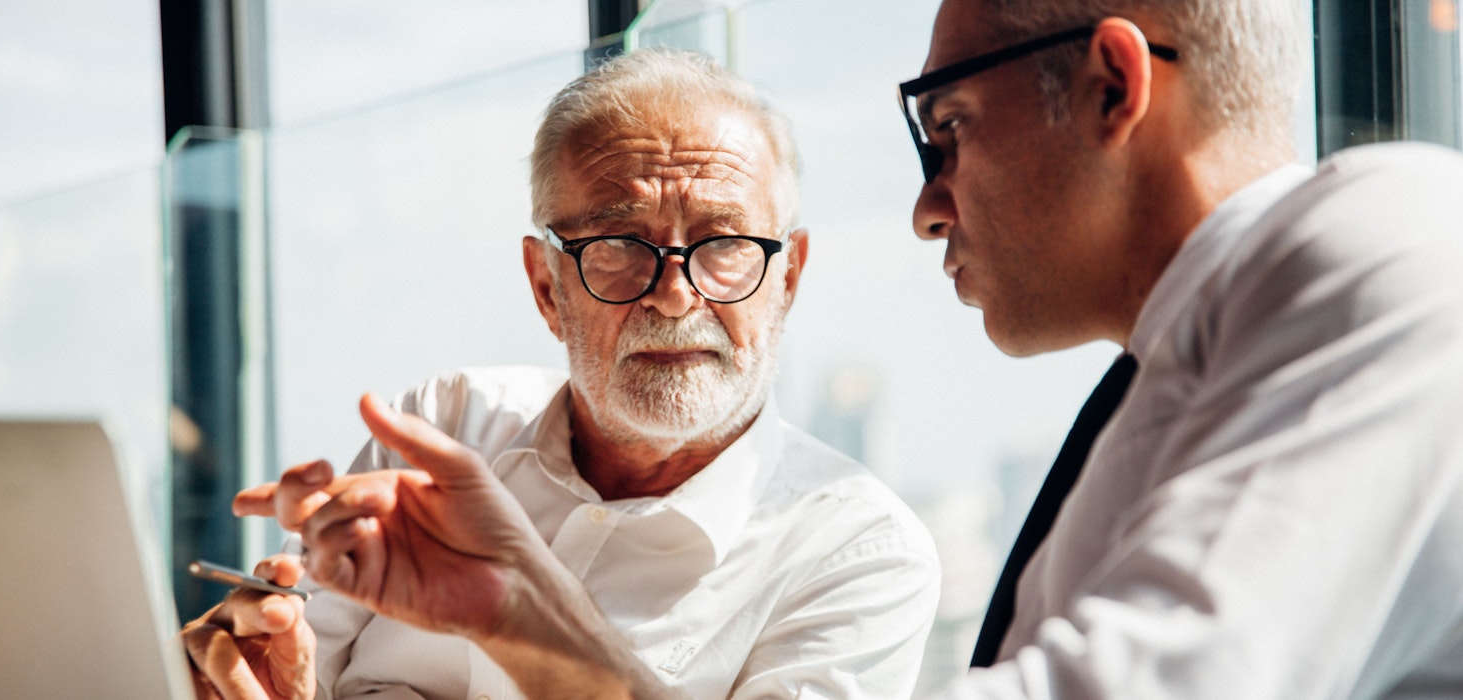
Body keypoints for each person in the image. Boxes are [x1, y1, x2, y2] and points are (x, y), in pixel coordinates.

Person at [183, 48, 941, 700]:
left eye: (724, 243)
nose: (676, 295)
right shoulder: (448, 425)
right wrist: (258, 672)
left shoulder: (859, 553)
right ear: (546, 285)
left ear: (789, 278)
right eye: (618, 243)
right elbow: (286, 657)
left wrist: (519, 613)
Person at [899, 0, 1463, 697]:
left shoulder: (1397, 234)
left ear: (1112, 86)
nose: (927, 212)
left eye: (950, 125)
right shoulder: (1168, 379)